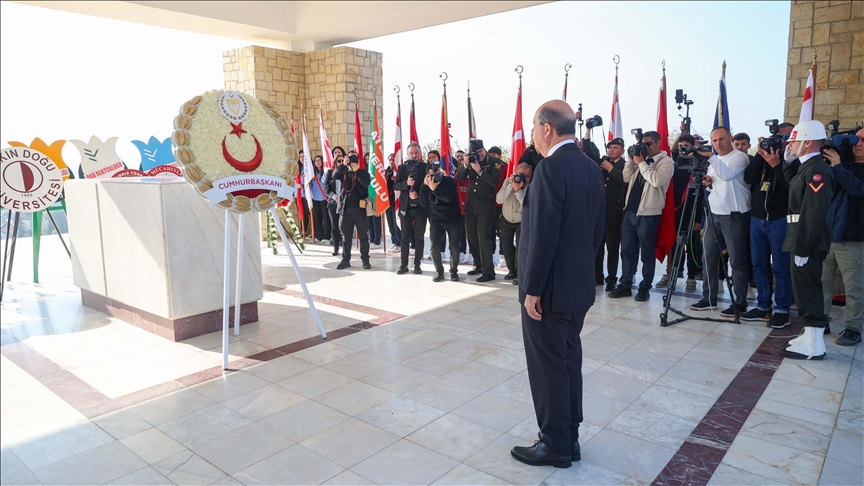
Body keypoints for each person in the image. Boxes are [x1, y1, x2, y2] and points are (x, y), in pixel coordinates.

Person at [511, 100, 604, 468]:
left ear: (547, 128)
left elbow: (542, 236)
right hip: (577, 286)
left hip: (548, 292)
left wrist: (532, 288)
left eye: (535, 127)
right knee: (567, 362)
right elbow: (596, 232)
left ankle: (555, 444)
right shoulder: (590, 167)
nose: (532, 134)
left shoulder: (550, 169)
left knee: (548, 367)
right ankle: (571, 437)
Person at [781, 120, 834, 360]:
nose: (789, 145)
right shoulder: (806, 167)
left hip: (808, 241)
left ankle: (814, 344)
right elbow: (793, 188)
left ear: (808, 142)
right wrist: (788, 162)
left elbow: (813, 214)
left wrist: (803, 247)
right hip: (800, 237)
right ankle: (809, 335)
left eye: (793, 141)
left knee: (809, 289)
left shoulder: (817, 170)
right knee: (802, 288)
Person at [689, 126, 752, 317]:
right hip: (713, 214)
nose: (718, 144)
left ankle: (740, 303)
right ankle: (709, 298)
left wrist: (710, 157)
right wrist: (709, 181)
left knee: (736, 261)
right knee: (708, 257)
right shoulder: (714, 161)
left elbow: (726, 175)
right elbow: (718, 182)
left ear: (730, 138)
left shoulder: (739, 157)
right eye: (714, 140)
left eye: (721, 139)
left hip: (734, 216)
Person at [608, 131, 674, 301]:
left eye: (648, 144)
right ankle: (625, 284)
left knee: (646, 253)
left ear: (658, 143)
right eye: (642, 144)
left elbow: (657, 180)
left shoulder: (666, 162)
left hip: (649, 214)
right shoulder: (640, 161)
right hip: (630, 211)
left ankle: (645, 287)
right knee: (627, 251)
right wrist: (631, 160)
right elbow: (626, 177)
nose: (645, 147)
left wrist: (642, 163)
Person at [740, 122, 794, 328]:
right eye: (777, 137)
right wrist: (759, 153)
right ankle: (763, 306)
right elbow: (748, 178)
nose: (779, 141)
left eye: (784, 137)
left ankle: (781, 310)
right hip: (758, 218)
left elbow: (792, 188)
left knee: (781, 267)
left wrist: (777, 164)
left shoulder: (793, 159)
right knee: (759, 266)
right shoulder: (763, 158)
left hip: (781, 220)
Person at [822, 127, 864, 346]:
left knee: (854, 288)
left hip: (854, 239)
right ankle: (821, 321)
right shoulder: (842, 166)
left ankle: (853, 328)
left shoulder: (843, 168)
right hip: (830, 236)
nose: (858, 143)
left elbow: (857, 189)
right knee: (822, 283)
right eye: (856, 140)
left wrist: (838, 166)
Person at [585, 134, 627, 291]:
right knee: (597, 245)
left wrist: (612, 170)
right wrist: (588, 130)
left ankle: (611, 279)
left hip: (614, 213)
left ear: (622, 150)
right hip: (599, 212)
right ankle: (597, 276)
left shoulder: (625, 165)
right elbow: (588, 151)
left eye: (615, 147)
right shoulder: (604, 162)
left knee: (613, 248)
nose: (611, 149)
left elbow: (626, 180)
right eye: (610, 147)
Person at [457, 139, 502, 282]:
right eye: (475, 153)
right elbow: (459, 177)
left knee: (484, 237)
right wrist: (465, 163)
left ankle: (489, 271)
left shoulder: (494, 161)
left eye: (480, 151)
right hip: (471, 204)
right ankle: (478, 264)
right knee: (472, 237)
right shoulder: (469, 161)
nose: (479, 155)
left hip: (486, 205)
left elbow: (494, 182)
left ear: (485, 150)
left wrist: (479, 171)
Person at [420, 162, 462, 281]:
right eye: (431, 176)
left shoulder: (448, 181)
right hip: (436, 219)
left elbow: (448, 198)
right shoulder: (427, 184)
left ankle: (454, 271)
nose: (435, 178)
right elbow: (423, 203)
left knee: (454, 247)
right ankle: (439, 271)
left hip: (453, 218)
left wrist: (435, 189)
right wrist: (424, 186)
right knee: (434, 247)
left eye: (437, 174)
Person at [394, 143, 429, 274]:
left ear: (420, 154)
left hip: (420, 208)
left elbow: (429, 187)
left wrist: (418, 194)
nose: (414, 155)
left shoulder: (425, 167)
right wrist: (406, 184)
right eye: (411, 153)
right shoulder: (402, 168)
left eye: (416, 153)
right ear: (408, 154)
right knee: (404, 237)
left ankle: (417, 264)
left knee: (419, 237)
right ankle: (403, 264)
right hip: (406, 208)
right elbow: (395, 185)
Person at [332, 153, 372, 270]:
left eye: (354, 158)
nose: (352, 160)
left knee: (364, 236)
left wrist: (357, 171)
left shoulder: (363, 172)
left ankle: (365, 260)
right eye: (350, 158)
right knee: (346, 237)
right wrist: (343, 165)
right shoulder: (343, 172)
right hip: (345, 209)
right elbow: (334, 175)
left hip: (360, 209)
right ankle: (345, 259)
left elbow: (366, 183)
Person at [497, 162, 533, 285]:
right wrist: (511, 187)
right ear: (515, 173)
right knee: (506, 247)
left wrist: (519, 191)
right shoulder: (508, 182)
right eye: (521, 174)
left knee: (520, 249)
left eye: (527, 176)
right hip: (506, 219)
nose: (523, 178)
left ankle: (519, 273)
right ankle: (511, 270)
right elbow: (499, 199)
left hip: (522, 221)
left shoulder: (532, 187)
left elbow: (528, 206)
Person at [488, 146, 508, 269]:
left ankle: (503, 256)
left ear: (500, 156)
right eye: (490, 155)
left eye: (495, 155)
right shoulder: (486, 168)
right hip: (488, 205)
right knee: (489, 233)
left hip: (501, 205)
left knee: (502, 233)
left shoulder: (505, 168)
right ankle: (489, 256)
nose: (492, 157)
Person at [323, 146, 345, 256]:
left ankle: (346, 249)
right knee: (335, 227)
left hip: (345, 204)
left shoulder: (346, 172)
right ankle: (336, 248)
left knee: (344, 227)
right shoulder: (329, 172)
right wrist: (335, 196)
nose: (340, 162)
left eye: (342, 160)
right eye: (338, 161)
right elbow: (327, 187)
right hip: (333, 204)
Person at [455, 150, 470, 264]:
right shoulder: (455, 176)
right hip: (458, 208)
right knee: (460, 232)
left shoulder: (471, 177)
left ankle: (472, 253)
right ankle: (461, 251)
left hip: (469, 208)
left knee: (470, 232)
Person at [309, 155, 330, 243]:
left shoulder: (326, 172)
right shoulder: (312, 173)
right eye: (316, 160)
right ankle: (319, 235)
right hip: (315, 198)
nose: (317, 162)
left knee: (326, 218)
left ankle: (326, 236)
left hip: (324, 198)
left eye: (319, 160)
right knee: (317, 218)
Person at [385, 153, 402, 254]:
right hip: (386, 200)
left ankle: (399, 243)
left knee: (396, 224)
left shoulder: (397, 172)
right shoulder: (386, 171)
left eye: (393, 159)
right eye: (390, 159)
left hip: (394, 200)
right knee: (390, 223)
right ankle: (394, 241)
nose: (391, 161)